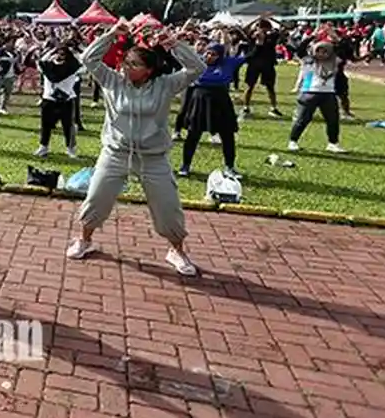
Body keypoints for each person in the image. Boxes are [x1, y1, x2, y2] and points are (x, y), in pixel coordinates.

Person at [66, 19, 206, 276]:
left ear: (149, 70)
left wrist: (175, 45)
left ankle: (177, 250)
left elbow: (197, 67)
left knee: (168, 206)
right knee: (96, 198)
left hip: (153, 158)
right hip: (115, 154)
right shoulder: (113, 81)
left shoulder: (165, 85)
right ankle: (84, 239)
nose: (126, 67)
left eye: (134, 64)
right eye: (125, 62)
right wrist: (110, 35)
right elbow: (88, 60)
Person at [178, 42, 246, 178]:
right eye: (207, 53)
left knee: (227, 135)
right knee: (193, 134)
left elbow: (251, 54)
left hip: (221, 100)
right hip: (200, 100)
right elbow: (181, 57)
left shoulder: (228, 63)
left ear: (220, 56)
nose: (209, 56)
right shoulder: (198, 63)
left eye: (213, 54)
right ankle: (185, 165)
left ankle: (230, 167)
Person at [288, 41, 346, 153]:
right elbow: (300, 49)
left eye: (325, 51)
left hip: (328, 93)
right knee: (303, 119)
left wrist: (334, 37)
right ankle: (293, 141)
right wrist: (311, 37)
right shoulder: (309, 60)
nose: (322, 54)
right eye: (319, 51)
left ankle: (333, 143)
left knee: (332, 120)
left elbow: (342, 48)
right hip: (309, 92)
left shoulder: (334, 61)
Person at [35, 43, 82, 159]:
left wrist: (52, 52)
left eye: (62, 54)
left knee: (68, 126)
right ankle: (43, 147)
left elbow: (82, 62)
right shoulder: (48, 66)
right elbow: (40, 61)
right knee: (45, 125)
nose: (59, 56)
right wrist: (51, 51)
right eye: (57, 53)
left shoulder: (72, 67)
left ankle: (71, 149)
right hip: (49, 99)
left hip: (66, 100)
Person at [241, 17, 283, 118]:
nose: (261, 30)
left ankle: (273, 108)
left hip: (268, 64)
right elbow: (244, 29)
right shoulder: (252, 36)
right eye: (259, 27)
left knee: (270, 87)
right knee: (249, 86)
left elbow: (285, 28)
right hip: (254, 64)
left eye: (264, 28)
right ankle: (246, 107)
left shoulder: (272, 36)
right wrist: (256, 19)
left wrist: (272, 19)